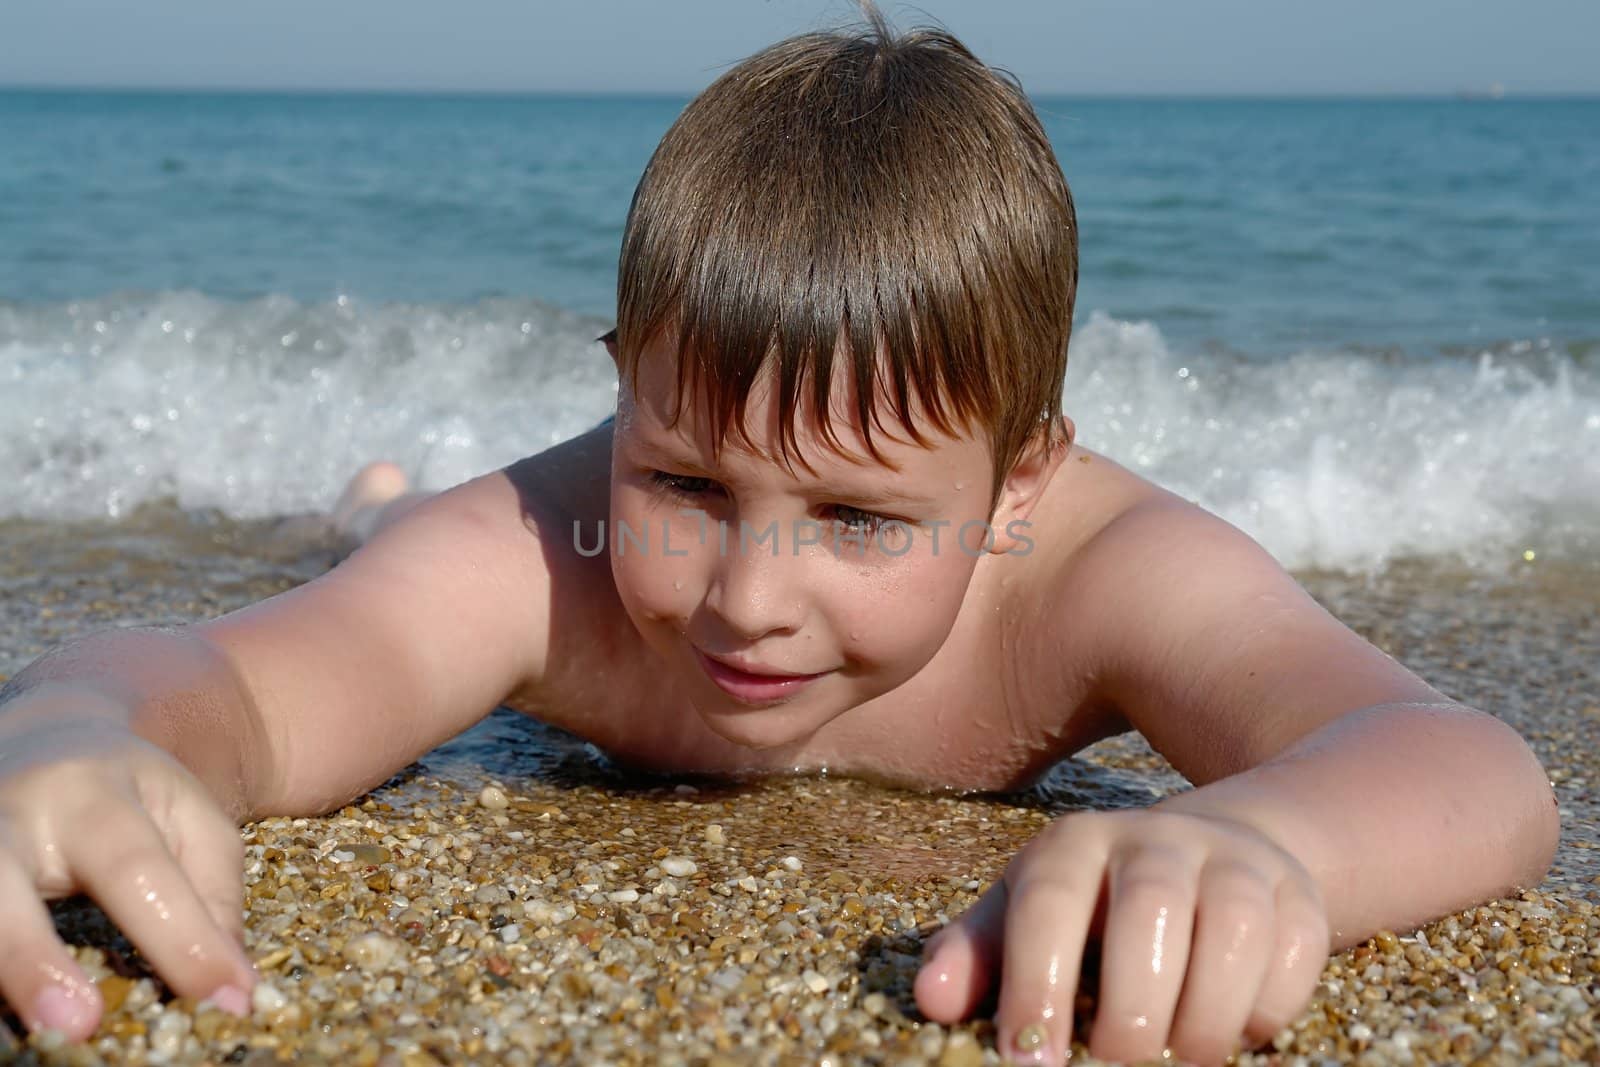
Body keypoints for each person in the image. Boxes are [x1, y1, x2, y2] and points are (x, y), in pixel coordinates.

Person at [0, 11, 1557, 1067]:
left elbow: (1457, 761)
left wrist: (1266, 844)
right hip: (466, 525)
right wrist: (79, 724)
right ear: (623, 395)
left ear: (1018, 487)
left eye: (861, 520)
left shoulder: (1095, 576)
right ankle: (373, 499)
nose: (749, 601)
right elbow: (246, 687)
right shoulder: (557, 550)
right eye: (685, 487)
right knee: (395, 542)